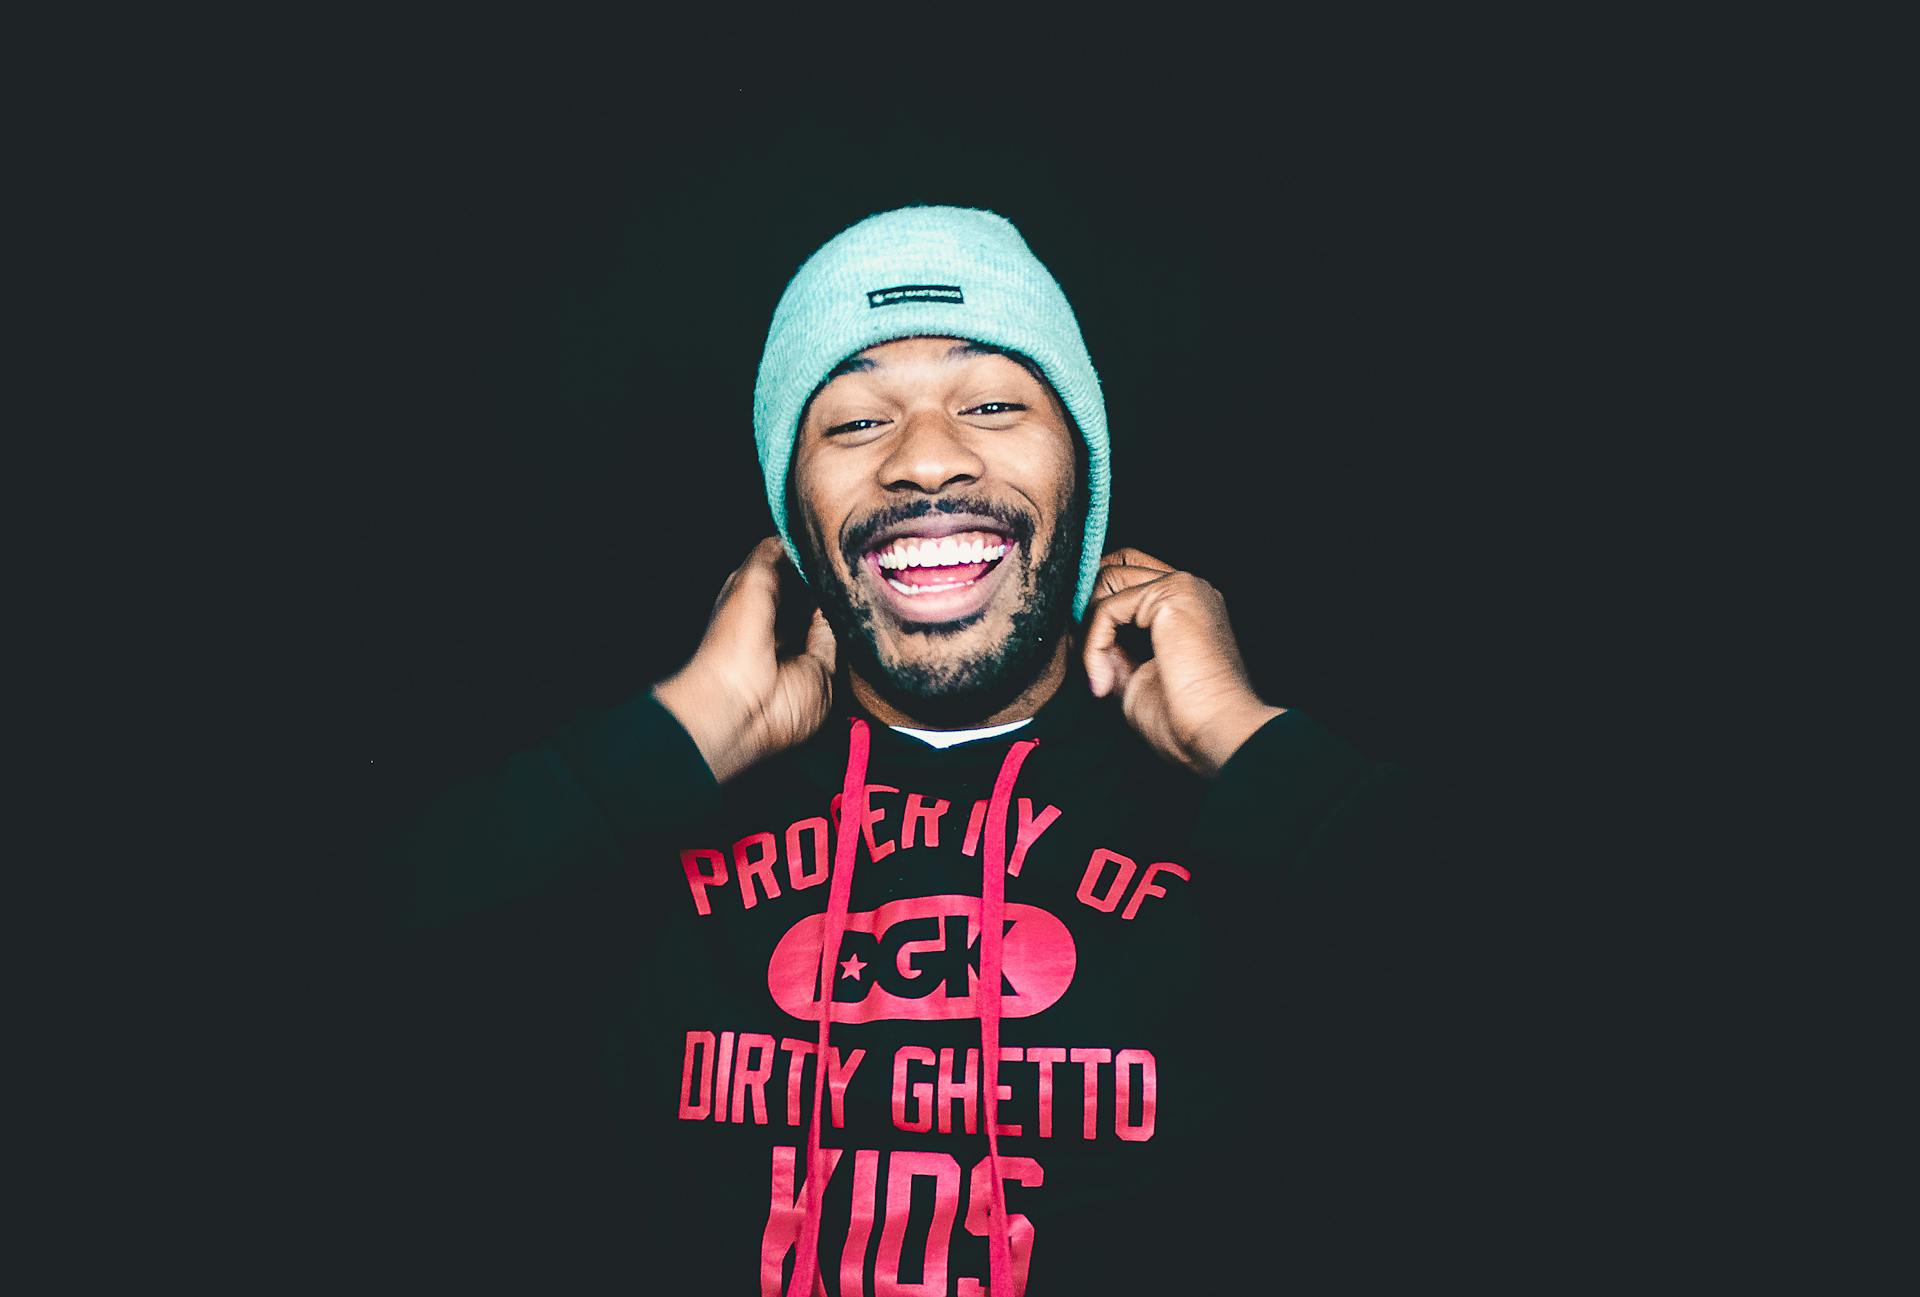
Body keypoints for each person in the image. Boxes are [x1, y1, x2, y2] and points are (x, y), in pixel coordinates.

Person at [387, 206, 1413, 1293]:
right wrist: (676, 735)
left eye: (991, 402)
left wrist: (1245, 741)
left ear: (1083, 478)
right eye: (856, 423)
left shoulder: (1238, 813)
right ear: (794, 513)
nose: (926, 459)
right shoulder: (652, 809)